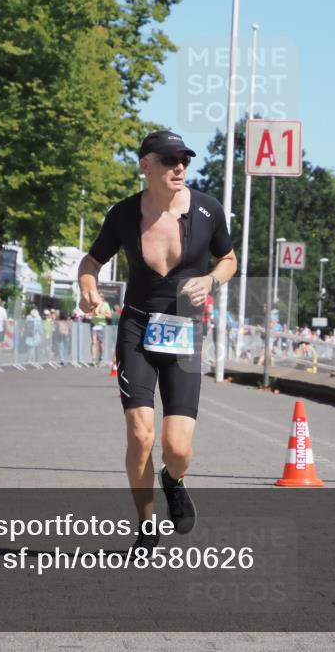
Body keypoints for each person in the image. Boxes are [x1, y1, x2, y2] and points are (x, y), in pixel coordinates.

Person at [77, 130, 237, 551]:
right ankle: (147, 525)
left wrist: (210, 279)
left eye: (183, 159)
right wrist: (87, 286)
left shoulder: (207, 210)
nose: (179, 167)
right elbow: (92, 260)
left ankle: (174, 479)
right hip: (137, 330)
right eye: (168, 160)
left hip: (185, 333)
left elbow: (229, 259)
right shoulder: (125, 215)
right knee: (141, 436)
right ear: (145, 165)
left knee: (177, 447)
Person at [90, 300, 112, 365]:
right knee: (93, 342)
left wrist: (102, 313)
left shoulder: (105, 305)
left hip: (102, 326)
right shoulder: (93, 304)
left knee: (101, 343)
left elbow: (109, 316)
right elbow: (91, 313)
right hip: (94, 325)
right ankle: (93, 359)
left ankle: (101, 357)